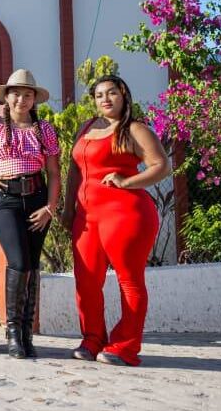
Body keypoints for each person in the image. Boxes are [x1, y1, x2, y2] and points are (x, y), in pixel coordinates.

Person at [65, 75, 171, 366]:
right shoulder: (86, 128)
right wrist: (67, 208)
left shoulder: (135, 129)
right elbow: (74, 170)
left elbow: (161, 166)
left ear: (124, 95)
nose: (106, 99)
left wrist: (127, 182)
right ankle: (92, 338)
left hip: (126, 213)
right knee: (86, 281)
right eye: (99, 95)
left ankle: (125, 345)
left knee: (129, 281)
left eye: (112, 93)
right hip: (87, 217)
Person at [0, 69, 61, 358]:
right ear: (6, 97)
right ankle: (13, 331)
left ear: (34, 99)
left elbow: (54, 172)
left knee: (31, 264)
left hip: (37, 198)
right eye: (15, 93)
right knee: (17, 261)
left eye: (27, 94)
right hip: (5, 197)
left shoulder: (44, 130)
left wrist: (50, 208)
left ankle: (27, 333)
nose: (21, 99)